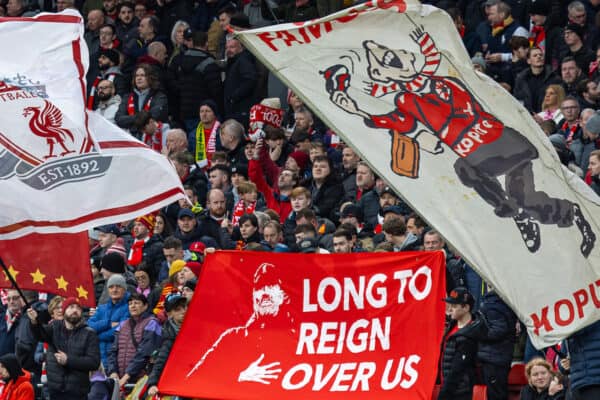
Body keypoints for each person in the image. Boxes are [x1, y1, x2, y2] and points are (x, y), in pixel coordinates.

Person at [326, 27, 596, 258]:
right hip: (475, 155)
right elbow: (394, 120)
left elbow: (459, 106)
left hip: (500, 144)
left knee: (522, 196)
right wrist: (357, 108)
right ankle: (520, 215)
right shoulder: (407, 100)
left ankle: (574, 215)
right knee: (473, 175)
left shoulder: (440, 80)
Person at [186, 262, 296, 385]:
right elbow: (194, 380)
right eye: (259, 288)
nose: (264, 293)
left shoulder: (299, 338)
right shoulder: (232, 338)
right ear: (254, 297)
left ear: (283, 295)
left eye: (271, 286)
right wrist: (240, 376)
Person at [27, 297, 101, 400]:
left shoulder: (89, 333)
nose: (75, 310)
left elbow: (94, 362)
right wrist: (34, 321)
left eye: (78, 308)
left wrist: (68, 360)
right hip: (55, 391)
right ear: (64, 311)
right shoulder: (54, 326)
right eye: (71, 307)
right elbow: (40, 334)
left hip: (78, 393)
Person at [107, 293, 162, 388]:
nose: (133, 306)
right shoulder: (122, 325)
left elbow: (144, 353)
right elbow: (113, 351)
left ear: (145, 306)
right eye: (130, 303)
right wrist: (113, 372)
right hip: (120, 380)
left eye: (136, 303)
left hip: (140, 380)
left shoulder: (152, 324)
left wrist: (127, 376)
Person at [437, 287, 482, 400]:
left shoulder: (470, 334)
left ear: (466, 307)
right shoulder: (452, 325)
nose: (450, 309)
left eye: (454, 306)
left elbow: (457, 370)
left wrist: (443, 395)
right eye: (450, 305)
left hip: (460, 393)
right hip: (447, 387)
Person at [146, 293, 188, 398]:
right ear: (169, 314)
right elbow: (161, 360)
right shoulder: (168, 336)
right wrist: (152, 384)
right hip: (179, 381)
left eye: (184, 306)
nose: (183, 311)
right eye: (177, 309)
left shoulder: (198, 326)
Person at [87, 274, 131, 368]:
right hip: (99, 360)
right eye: (111, 287)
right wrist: (108, 323)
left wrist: (97, 335)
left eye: (118, 286)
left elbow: (119, 331)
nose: (114, 290)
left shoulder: (129, 307)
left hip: (118, 360)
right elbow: (89, 326)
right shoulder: (102, 308)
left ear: (124, 289)